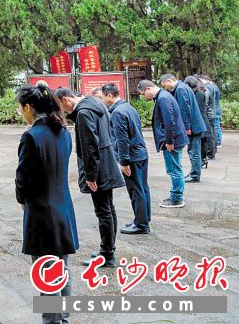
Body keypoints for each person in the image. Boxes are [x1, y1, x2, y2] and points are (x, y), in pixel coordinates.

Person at [15, 82, 78, 324]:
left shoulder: (31, 136)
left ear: (29, 107)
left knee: (46, 272)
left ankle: (52, 321)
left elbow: (24, 176)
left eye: (21, 108)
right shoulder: (63, 131)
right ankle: (63, 318)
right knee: (62, 267)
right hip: (63, 208)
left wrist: (22, 199)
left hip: (42, 212)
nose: (20, 113)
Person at [54, 87, 124, 268]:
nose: (63, 111)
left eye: (61, 106)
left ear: (65, 100)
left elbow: (90, 147)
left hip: (99, 168)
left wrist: (91, 176)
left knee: (103, 211)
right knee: (109, 209)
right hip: (107, 162)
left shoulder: (84, 113)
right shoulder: (94, 104)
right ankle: (108, 249)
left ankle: (107, 255)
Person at [100, 84, 151, 235]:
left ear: (109, 95)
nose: (102, 101)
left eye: (103, 97)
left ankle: (141, 224)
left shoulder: (117, 113)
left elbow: (122, 140)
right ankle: (143, 218)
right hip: (141, 153)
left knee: (135, 190)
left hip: (132, 157)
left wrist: (124, 162)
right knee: (143, 188)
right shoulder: (128, 107)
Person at [137, 80, 188, 208]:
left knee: (174, 169)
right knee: (175, 168)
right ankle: (176, 196)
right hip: (174, 139)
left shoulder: (163, 98)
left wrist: (169, 141)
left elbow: (169, 122)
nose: (144, 97)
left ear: (148, 89)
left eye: (143, 94)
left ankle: (176, 198)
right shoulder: (163, 96)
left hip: (172, 141)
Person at [160, 74, 206, 184]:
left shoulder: (180, 89)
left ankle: (195, 175)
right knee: (194, 150)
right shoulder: (182, 87)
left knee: (193, 151)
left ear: (169, 80)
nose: (165, 88)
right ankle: (194, 173)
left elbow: (184, 108)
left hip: (193, 126)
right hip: (195, 124)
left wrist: (186, 127)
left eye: (164, 85)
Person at [185, 76, 213, 169]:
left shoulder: (198, 93)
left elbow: (196, 109)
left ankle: (202, 159)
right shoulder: (201, 91)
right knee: (203, 140)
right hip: (203, 118)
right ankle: (203, 159)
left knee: (200, 142)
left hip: (199, 119)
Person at [202, 74, 223, 151]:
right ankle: (218, 141)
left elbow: (211, 101)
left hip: (214, 110)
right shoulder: (214, 86)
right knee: (216, 126)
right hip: (216, 109)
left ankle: (218, 142)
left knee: (216, 127)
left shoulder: (210, 87)